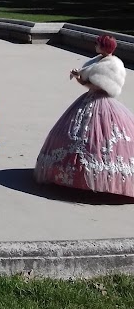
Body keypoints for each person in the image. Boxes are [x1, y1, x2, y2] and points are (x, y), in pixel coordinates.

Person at [35, 35, 134, 196]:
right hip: (94, 99)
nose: (95, 46)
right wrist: (79, 76)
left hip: (98, 101)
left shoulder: (109, 65)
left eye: (98, 44)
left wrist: (78, 78)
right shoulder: (103, 61)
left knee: (96, 136)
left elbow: (95, 85)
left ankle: (94, 176)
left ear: (104, 47)